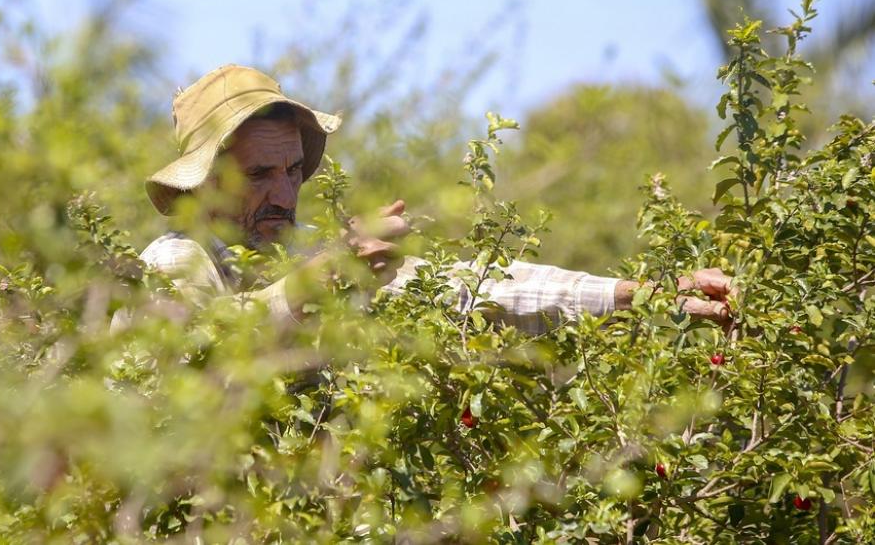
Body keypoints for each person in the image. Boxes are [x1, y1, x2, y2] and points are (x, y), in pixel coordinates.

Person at [134, 64, 733, 334]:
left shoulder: (306, 254)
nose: (285, 192)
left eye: (293, 169)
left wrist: (640, 294)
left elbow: (475, 289)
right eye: (261, 173)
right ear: (207, 182)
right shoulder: (173, 261)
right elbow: (204, 351)